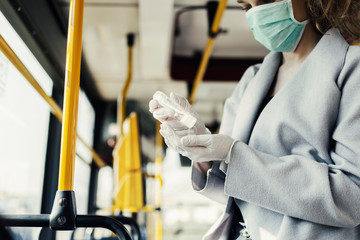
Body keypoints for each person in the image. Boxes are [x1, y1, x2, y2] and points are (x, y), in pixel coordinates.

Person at [149, 0, 360, 239]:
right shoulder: (252, 79)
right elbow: (236, 192)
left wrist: (233, 155)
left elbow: (352, 196)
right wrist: (204, 153)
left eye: (267, 1)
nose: (257, 13)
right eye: (246, 7)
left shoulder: (352, 67)